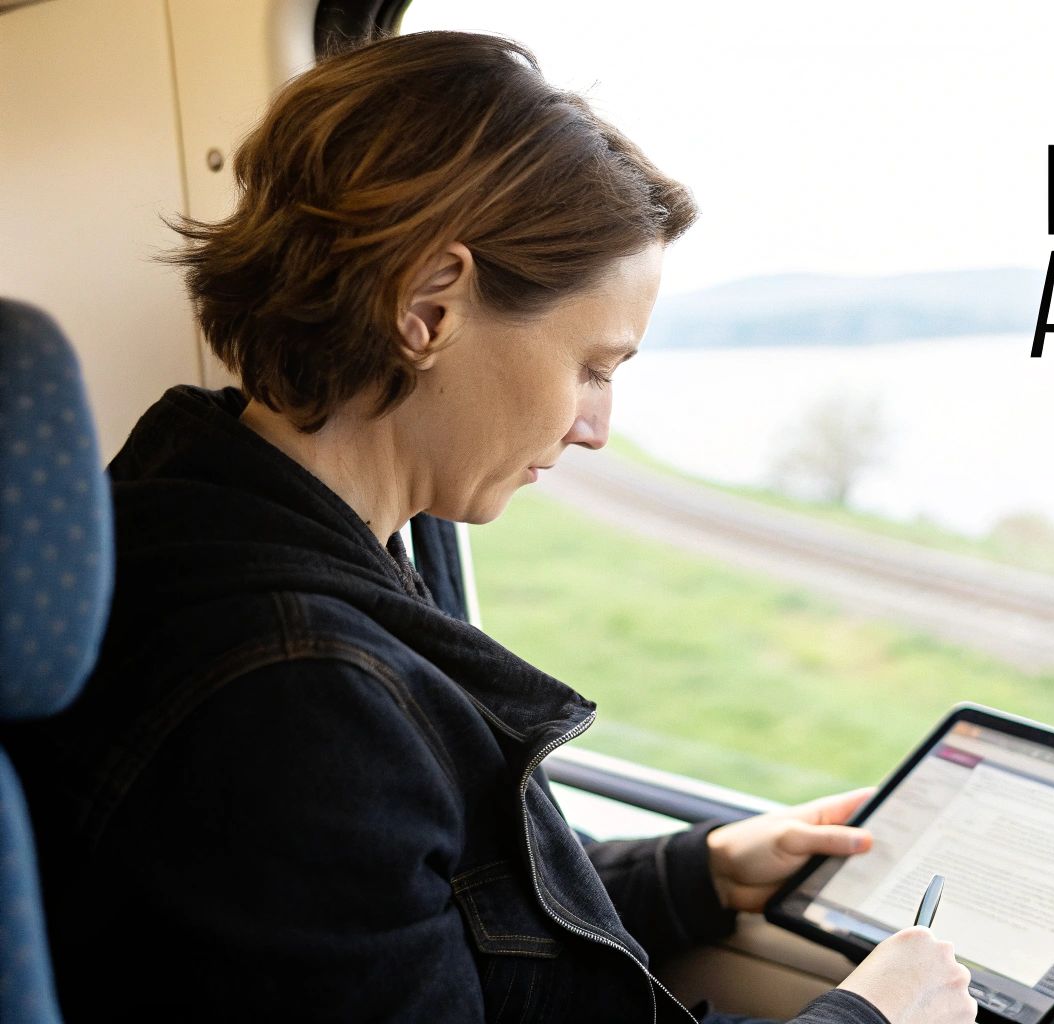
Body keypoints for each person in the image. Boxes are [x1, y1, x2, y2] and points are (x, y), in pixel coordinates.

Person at [3, 29, 975, 1024]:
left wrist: (705, 868)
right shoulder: (291, 693)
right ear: (428, 308)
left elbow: (426, 907)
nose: (595, 428)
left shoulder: (208, 525)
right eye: (591, 367)